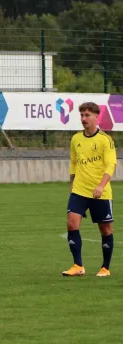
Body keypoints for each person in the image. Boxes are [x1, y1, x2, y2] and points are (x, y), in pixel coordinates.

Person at [63, 102, 116, 277]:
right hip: (79, 190)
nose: (84, 119)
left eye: (87, 115)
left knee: (105, 229)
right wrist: (72, 183)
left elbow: (111, 164)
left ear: (96, 117)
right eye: (82, 115)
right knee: (71, 222)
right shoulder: (76, 139)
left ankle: (105, 268)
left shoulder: (105, 139)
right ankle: (78, 265)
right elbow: (73, 163)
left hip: (100, 192)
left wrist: (101, 186)